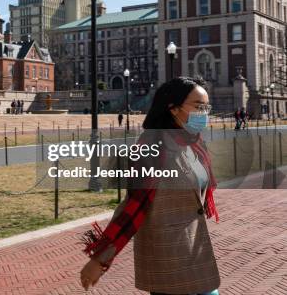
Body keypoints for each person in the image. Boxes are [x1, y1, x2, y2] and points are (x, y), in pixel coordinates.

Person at [80, 77, 220, 295]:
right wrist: (100, 259)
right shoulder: (152, 146)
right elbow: (134, 205)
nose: (205, 113)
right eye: (199, 107)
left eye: (207, 107)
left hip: (197, 252)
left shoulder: (195, 143)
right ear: (174, 109)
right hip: (168, 258)